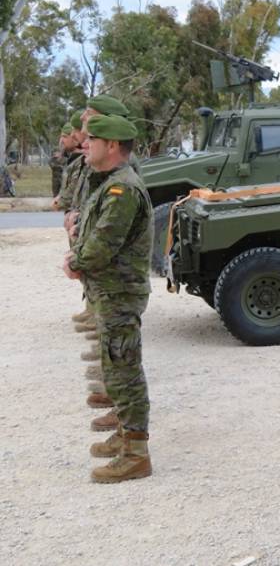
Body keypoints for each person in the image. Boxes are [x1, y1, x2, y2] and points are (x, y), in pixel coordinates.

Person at [62, 113, 154, 483]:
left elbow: (104, 242)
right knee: (116, 366)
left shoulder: (123, 189)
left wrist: (76, 261)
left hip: (120, 292)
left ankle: (137, 453)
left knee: (125, 369)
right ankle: (125, 433)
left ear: (112, 146)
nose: (86, 144)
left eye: (93, 139)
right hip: (110, 292)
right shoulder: (112, 184)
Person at [48, 124, 76, 197]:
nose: (61, 140)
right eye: (61, 137)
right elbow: (52, 162)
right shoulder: (62, 152)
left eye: (65, 137)